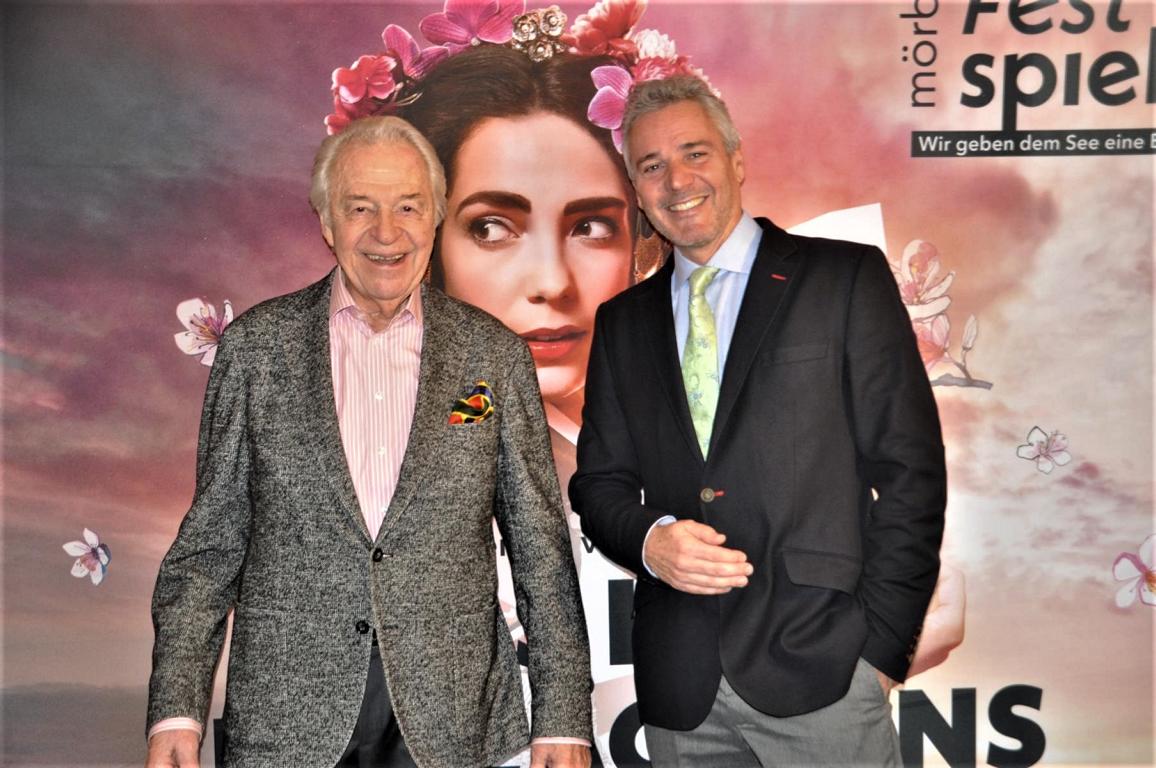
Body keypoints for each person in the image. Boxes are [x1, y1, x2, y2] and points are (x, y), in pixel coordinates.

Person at [145, 116, 592, 768]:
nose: (387, 232)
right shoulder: (255, 351)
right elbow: (209, 550)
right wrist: (175, 709)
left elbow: (540, 553)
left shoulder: (493, 355)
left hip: (453, 722)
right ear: (328, 223)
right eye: (361, 208)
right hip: (286, 723)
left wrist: (563, 718)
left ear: (436, 217)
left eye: (408, 206)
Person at [570, 74, 947, 766]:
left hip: (826, 674)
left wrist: (881, 651)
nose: (676, 180)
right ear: (637, 190)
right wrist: (651, 542)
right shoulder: (622, 323)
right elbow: (598, 485)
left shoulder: (843, 279)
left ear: (736, 159)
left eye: (695, 153)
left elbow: (910, 471)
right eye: (651, 165)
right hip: (680, 688)